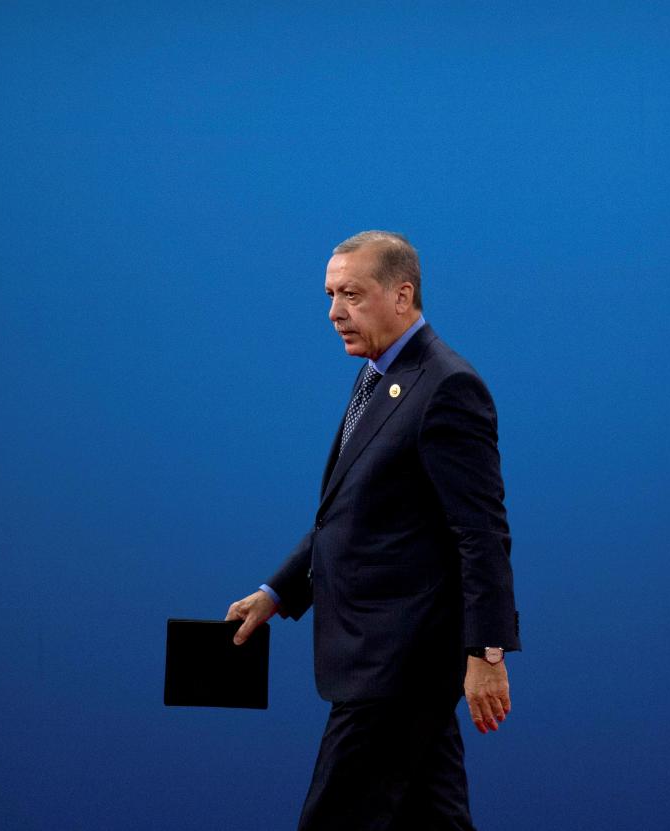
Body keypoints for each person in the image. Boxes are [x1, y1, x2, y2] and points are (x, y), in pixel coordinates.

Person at [226, 231, 521, 830]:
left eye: (352, 295)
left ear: (402, 295)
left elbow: (481, 534)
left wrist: (486, 651)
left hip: (395, 665)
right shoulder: (377, 377)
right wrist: (278, 592)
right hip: (385, 661)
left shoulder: (446, 387)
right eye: (331, 295)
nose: (335, 312)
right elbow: (355, 512)